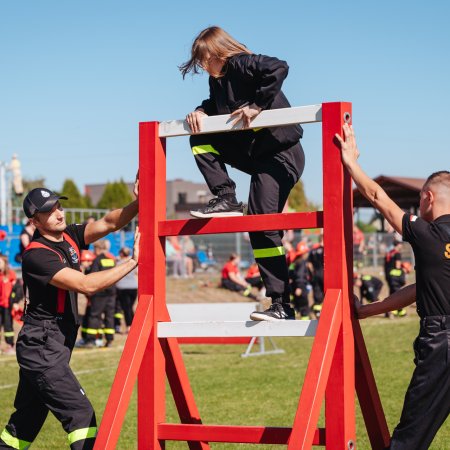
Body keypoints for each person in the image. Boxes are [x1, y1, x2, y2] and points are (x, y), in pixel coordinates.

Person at [336, 123, 450, 450]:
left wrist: (351, 162)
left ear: (428, 197)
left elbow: (377, 197)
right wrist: (369, 310)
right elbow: (420, 289)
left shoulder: (428, 235)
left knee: (407, 441)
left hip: (441, 343)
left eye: (419, 199)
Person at [0, 184, 139, 450]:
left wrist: (141, 202)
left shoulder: (71, 235)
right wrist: (132, 262)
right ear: (34, 221)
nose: (59, 213)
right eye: (49, 211)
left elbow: (109, 222)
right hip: (42, 345)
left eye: (59, 206)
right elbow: (85, 285)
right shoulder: (37, 255)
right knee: (81, 415)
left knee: (23, 426)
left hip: (51, 342)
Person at [180, 26, 304, 321]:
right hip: (255, 153)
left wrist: (257, 105)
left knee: (261, 224)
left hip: (281, 155)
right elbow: (215, 107)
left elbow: (278, 67)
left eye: (203, 58)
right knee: (199, 137)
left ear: (218, 52)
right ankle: (226, 197)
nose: (201, 65)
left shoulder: (241, 63)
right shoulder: (218, 82)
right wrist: (200, 110)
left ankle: (280, 303)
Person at [80, 240, 117, 348]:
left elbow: (93, 276)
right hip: (112, 292)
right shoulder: (111, 260)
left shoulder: (97, 260)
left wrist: (87, 270)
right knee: (109, 316)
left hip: (100, 293)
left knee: (95, 316)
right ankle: (109, 340)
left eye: (94, 249)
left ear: (98, 249)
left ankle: (91, 340)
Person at [0, 256, 23, 355]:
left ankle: (10, 346)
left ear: (4, 263)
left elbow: (18, 289)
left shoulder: (11, 274)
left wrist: (15, 302)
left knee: (8, 327)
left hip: (7, 306)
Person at [115, 247, 138, 333]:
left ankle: (129, 327)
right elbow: (136, 273)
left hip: (122, 288)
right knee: (130, 307)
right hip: (133, 288)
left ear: (121, 254)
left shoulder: (119, 263)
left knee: (126, 308)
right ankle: (133, 325)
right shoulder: (132, 263)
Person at [384, 239, 407, 317]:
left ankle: (389, 312)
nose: (402, 246)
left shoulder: (389, 253)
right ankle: (394, 311)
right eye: (401, 244)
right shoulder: (397, 254)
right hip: (395, 276)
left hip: (388, 276)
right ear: (398, 245)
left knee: (391, 294)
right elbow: (397, 266)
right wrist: (404, 268)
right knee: (397, 294)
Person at [289, 242, 311, 320]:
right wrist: (299, 287)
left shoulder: (294, 262)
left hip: (294, 287)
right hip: (300, 287)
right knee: (304, 308)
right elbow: (300, 275)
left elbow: (290, 273)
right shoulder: (302, 262)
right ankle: (306, 328)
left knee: (296, 307)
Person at [307, 235, 324, 318]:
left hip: (315, 274)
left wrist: (313, 272)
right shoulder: (326, 249)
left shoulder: (313, 250)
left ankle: (318, 314)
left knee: (317, 295)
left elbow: (309, 264)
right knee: (327, 294)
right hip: (324, 274)